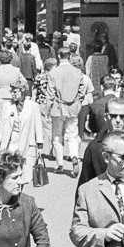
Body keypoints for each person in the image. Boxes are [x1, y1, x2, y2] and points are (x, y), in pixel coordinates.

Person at [78, 96, 124, 189]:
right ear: (106, 117)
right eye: (113, 116)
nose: (117, 120)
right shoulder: (94, 148)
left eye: (122, 116)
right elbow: (84, 184)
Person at [47, 46, 88, 176]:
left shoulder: (54, 72)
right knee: (72, 135)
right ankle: (74, 156)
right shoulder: (77, 72)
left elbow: (50, 93)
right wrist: (78, 101)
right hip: (73, 107)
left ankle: (60, 164)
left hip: (58, 107)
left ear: (59, 57)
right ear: (70, 56)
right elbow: (82, 90)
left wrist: (47, 108)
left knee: (57, 137)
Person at [0, 78, 44, 189]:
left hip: (28, 144)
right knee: (10, 172)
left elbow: (38, 126)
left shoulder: (33, 106)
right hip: (11, 144)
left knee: (23, 175)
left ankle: (18, 196)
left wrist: (40, 145)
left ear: (22, 91)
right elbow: (2, 126)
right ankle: (11, 196)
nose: (12, 94)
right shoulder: (7, 106)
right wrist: (0, 144)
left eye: (15, 92)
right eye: (11, 91)